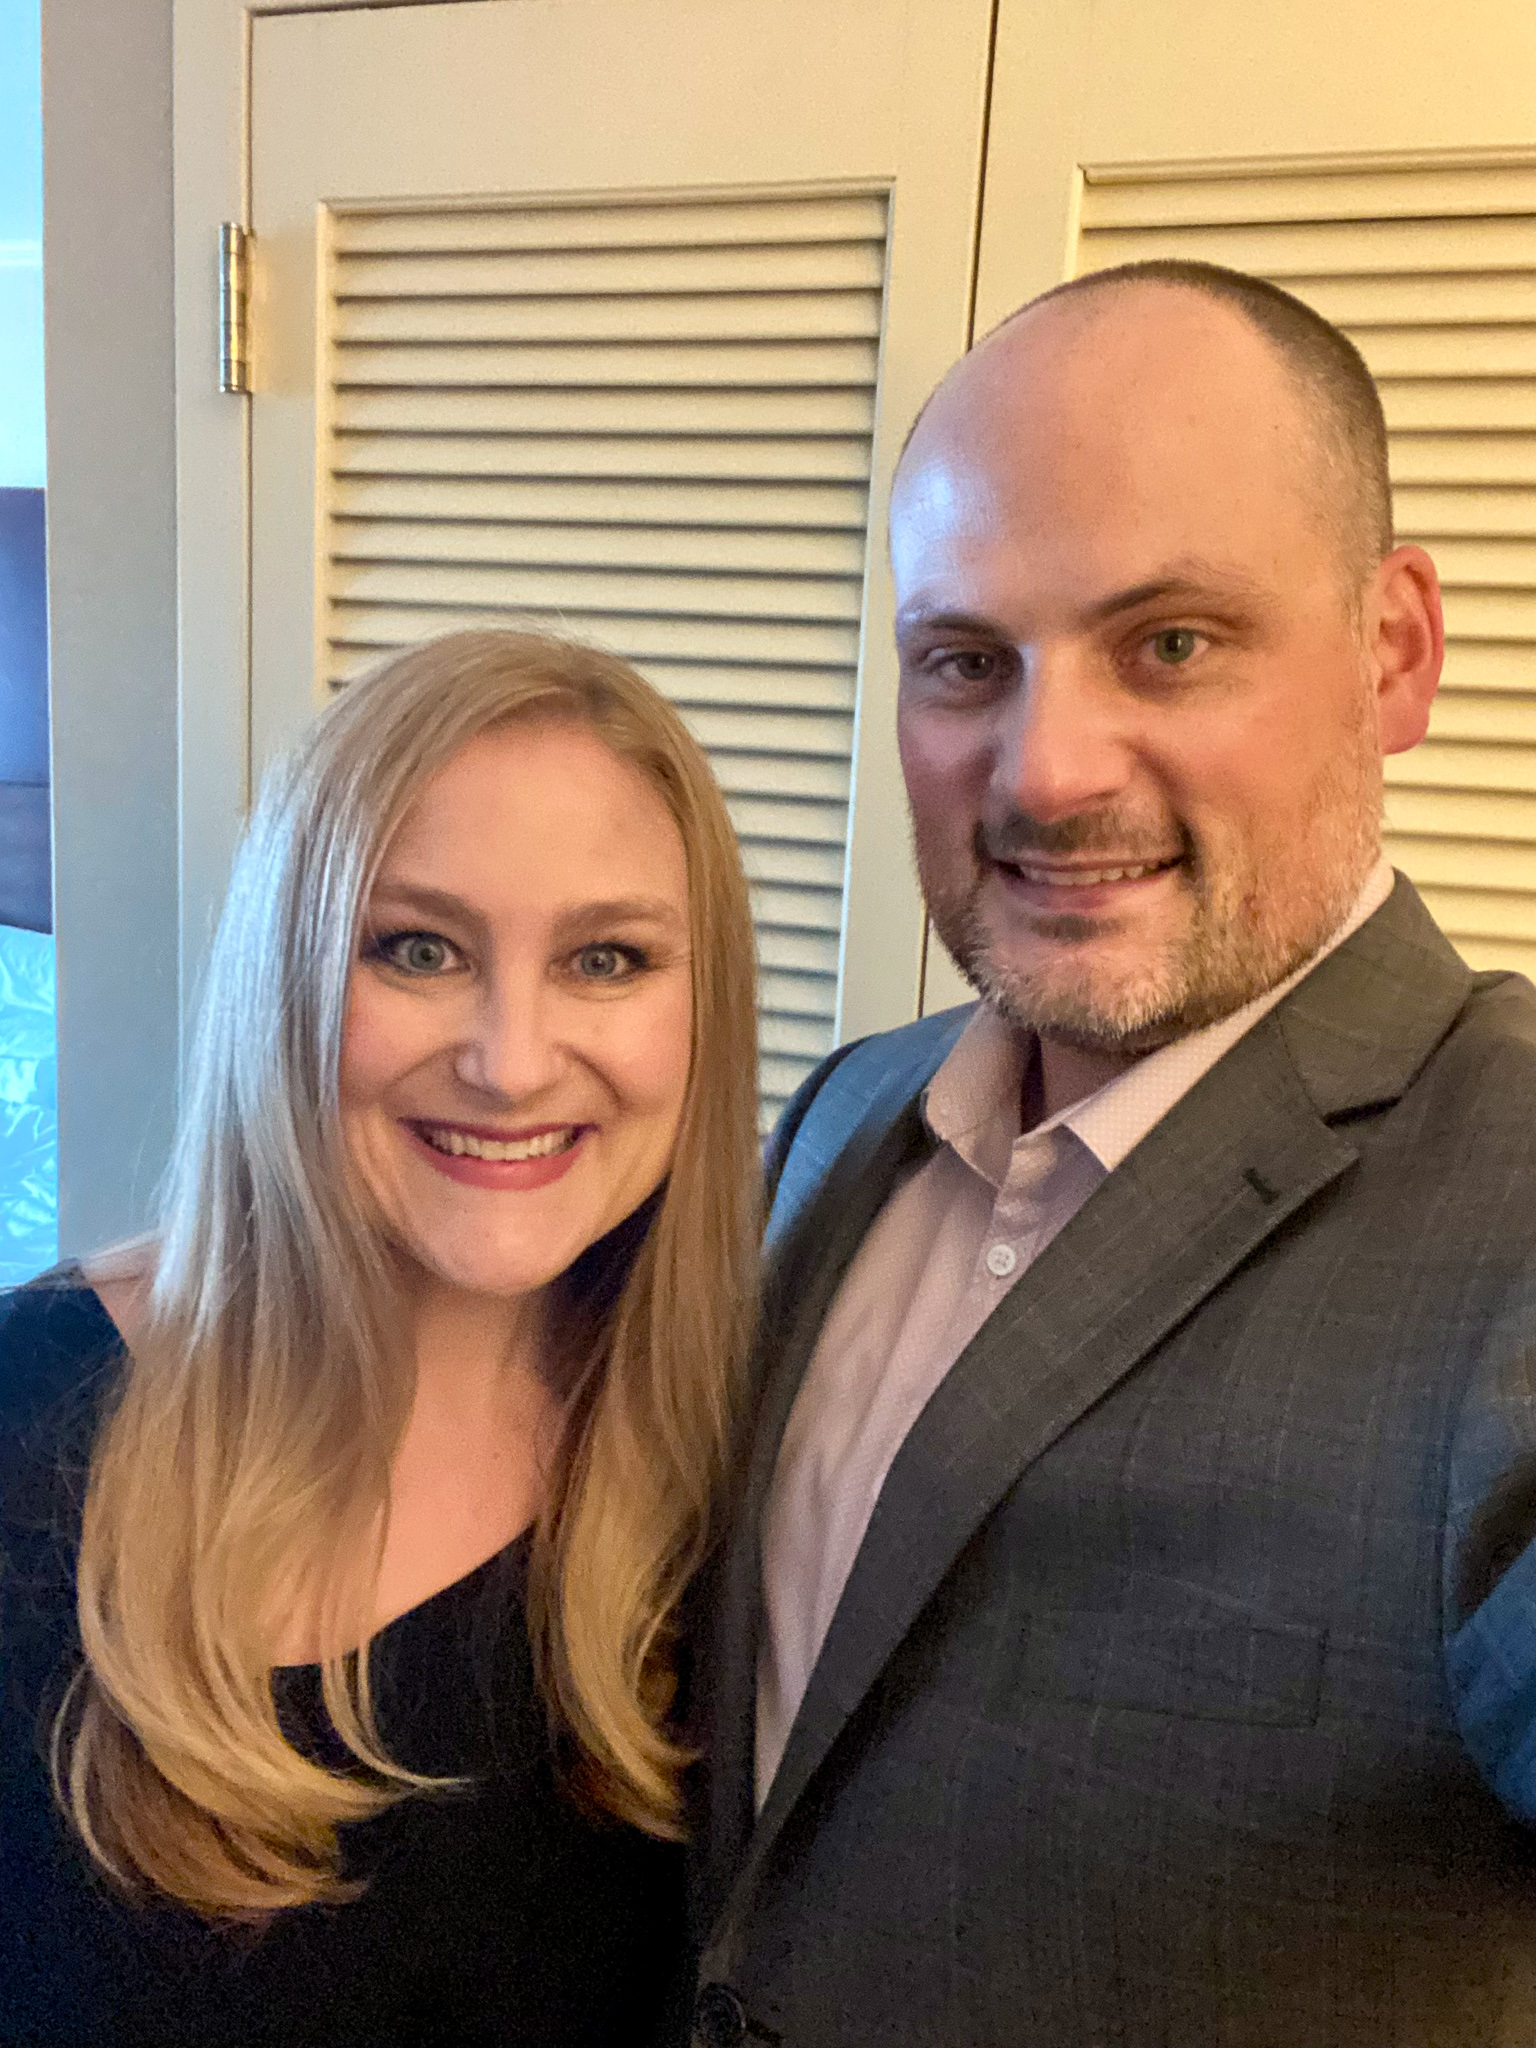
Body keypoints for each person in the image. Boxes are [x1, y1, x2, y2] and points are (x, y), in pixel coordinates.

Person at [690, 262, 1536, 2048]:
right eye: (967, 662)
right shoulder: (842, 1122)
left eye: (1171, 643)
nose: (1046, 772)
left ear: (1393, 651)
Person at [0, 629, 760, 2047]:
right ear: (283, 977)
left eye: (607, 958)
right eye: (418, 949)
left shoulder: (740, 1467)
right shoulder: (24, 1419)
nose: (511, 1062)